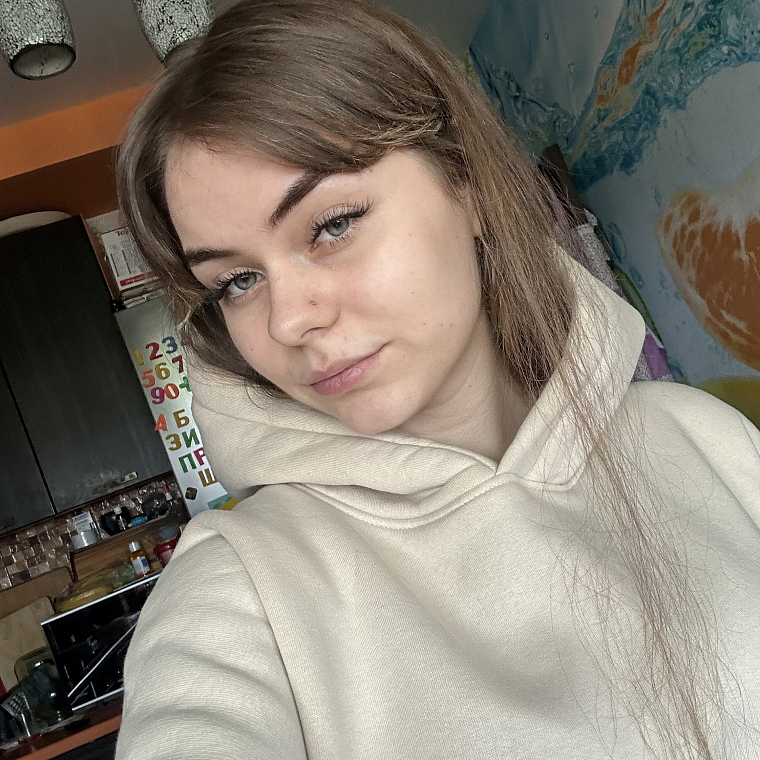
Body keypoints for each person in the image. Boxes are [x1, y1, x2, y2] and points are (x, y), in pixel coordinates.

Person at [113, 1, 760, 758]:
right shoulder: (241, 587)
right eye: (238, 281)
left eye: (331, 224)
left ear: (469, 189)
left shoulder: (704, 438)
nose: (286, 321)